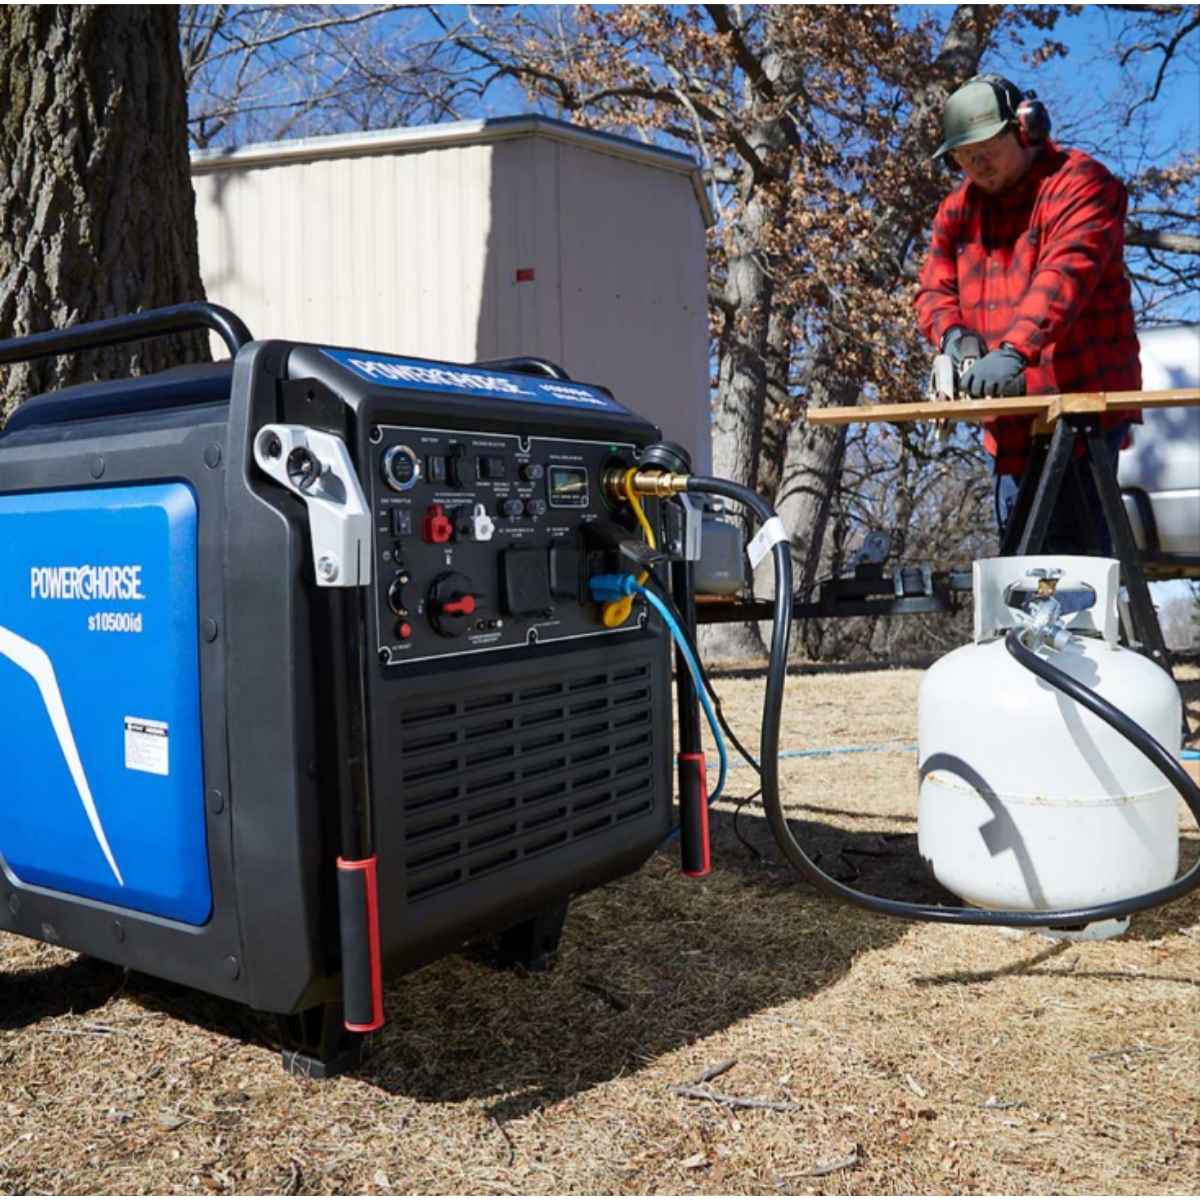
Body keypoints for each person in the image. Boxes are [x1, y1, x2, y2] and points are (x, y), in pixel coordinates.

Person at [915, 74, 1141, 555]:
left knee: (1081, 574)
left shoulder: (1082, 184)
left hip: (1083, 410)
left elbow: (1065, 274)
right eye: (963, 155)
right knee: (1020, 574)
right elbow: (933, 288)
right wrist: (954, 336)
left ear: (1025, 130)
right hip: (1012, 421)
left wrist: (1015, 349)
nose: (976, 163)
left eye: (986, 148)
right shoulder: (957, 212)